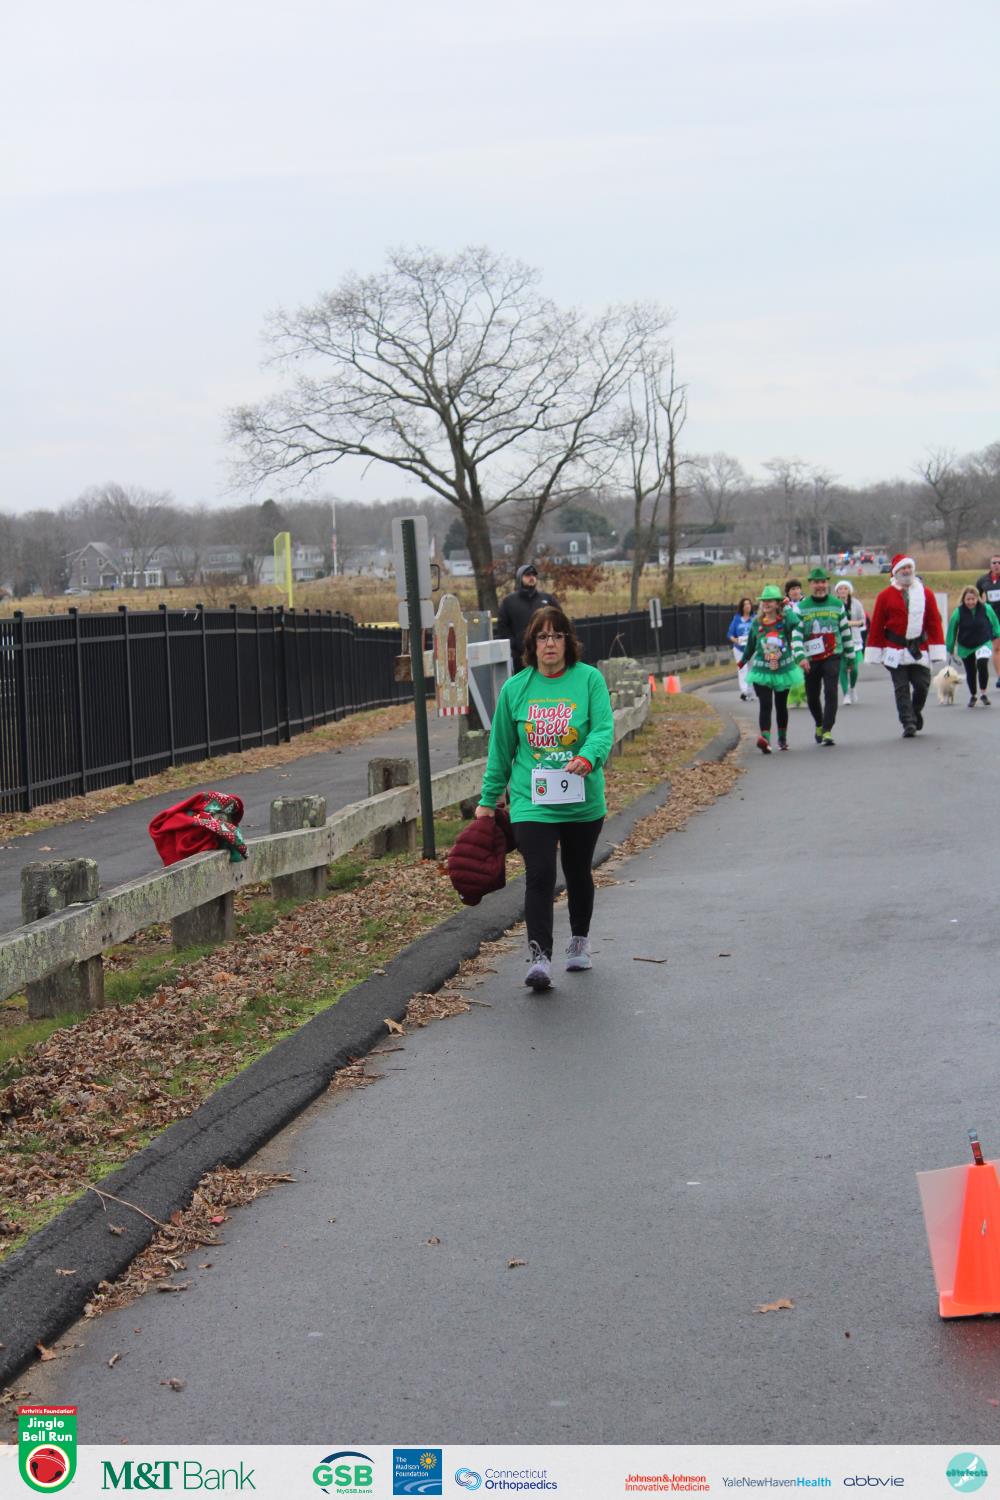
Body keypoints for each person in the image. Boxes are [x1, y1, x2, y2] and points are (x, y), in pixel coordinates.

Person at [476, 605, 614, 991]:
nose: (549, 643)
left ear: (568, 641)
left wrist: (588, 756)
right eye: (542, 636)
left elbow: (603, 728)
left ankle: (579, 941)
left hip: (581, 800)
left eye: (557, 635)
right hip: (531, 800)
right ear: (531, 644)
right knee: (539, 874)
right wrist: (488, 800)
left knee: (577, 871)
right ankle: (540, 958)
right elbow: (501, 750)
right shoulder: (515, 689)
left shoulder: (589, 680)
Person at [865, 553, 946, 737]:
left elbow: (934, 622)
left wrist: (936, 648)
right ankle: (908, 722)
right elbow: (877, 624)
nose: (907, 571)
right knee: (901, 688)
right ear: (896, 572)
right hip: (894, 649)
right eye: (903, 568)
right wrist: (876, 650)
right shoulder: (885, 596)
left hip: (919, 649)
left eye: (909, 567)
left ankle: (915, 712)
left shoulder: (926, 594)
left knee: (922, 685)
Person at [738, 585, 806, 753]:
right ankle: (765, 740)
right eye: (764, 601)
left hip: (783, 670)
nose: (766, 604)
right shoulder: (757, 623)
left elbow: (796, 622)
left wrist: (787, 607)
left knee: (781, 705)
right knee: (765, 704)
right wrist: (743, 660)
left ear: (777, 604)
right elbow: (751, 644)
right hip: (762, 671)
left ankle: (782, 739)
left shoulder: (784, 621)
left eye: (770, 601)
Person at [796, 567, 855, 746]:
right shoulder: (801, 607)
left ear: (827, 584)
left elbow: (845, 632)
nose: (820, 586)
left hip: (832, 655)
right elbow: (796, 634)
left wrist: (850, 657)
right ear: (810, 584)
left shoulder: (837, 604)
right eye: (816, 583)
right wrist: (800, 657)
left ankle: (827, 730)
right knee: (812, 695)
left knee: (831, 691)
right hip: (811, 658)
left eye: (823, 582)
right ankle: (819, 723)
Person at [496, 563, 560, 669]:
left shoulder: (547, 599)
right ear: (520, 578)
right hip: (520, 656)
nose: (531, 577)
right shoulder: (509, 602)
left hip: (546, 653)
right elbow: (502, 627)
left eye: (533, 575)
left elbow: (560, 622)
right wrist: (514, 645)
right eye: (527, 575)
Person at [945, 585, 1000, 707]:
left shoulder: (986, 608)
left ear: (977, 598)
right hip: (965, 645)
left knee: (982, 663)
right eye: (968, 599)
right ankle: (973, 695)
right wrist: (950, 647)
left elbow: (995, 622)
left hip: (983, 642)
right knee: (970, 671)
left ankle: (983, 693)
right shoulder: (958, 612)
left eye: (973, 599)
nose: (970, 602)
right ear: (963, 600)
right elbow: (952, 630)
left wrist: (997, 633)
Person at [833, 579, 867, 704]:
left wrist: (850, 623)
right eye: (840, 589)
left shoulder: (856, 604)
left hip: (855, 640)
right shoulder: (834, 604)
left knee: (854, 669)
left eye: (845, 588)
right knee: (842, 668)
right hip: (839, 640)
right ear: (837, 591)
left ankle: (852, 688)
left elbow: (862, 620)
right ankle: (846, 694)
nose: (843, 591)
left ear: (849, 591)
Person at [975, 553, 1000, 689]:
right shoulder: (983, 581)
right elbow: (976, 597)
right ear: (990, 565)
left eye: (999, 563)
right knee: (997, 648)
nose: (997, 565)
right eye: (994, 563)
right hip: (992, 619)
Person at [783, 579, 807, 710]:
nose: (795, 591)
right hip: (789, 641)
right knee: (793, 670)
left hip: (805, 640)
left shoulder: (806, 603)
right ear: (788, 592)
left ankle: (802, 696)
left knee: (803, 669)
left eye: (797, 588)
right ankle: (794, 697)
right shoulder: (785, 606)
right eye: (792, 589)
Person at [727, 596, 755, 700]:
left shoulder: (755, 618)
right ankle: (744, 691)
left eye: (749, 604)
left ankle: (750, 691)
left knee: (751, 669)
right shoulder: (737, 619)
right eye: (745, 604)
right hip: (739, 649)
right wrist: (736, 640)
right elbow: (730, 634)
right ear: (742, 607)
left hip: (752, 649)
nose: (747, 606)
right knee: (742, 668)